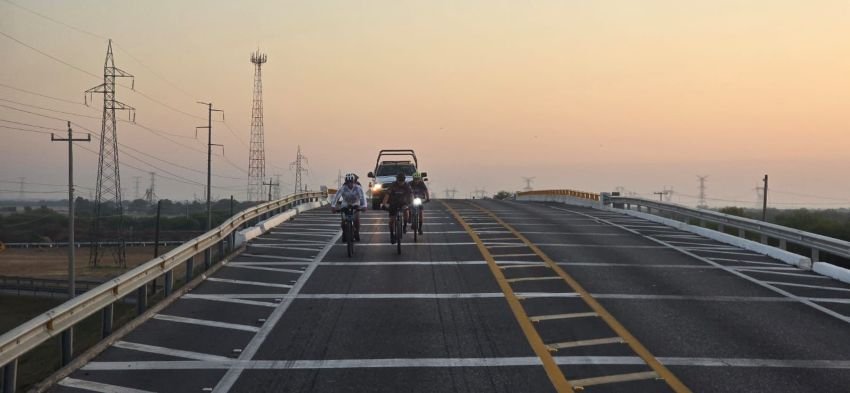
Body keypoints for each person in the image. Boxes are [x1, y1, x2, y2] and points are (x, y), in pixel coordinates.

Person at [331, 173, 367, 241]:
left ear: (354, 182)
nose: (350, 184)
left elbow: (363, 197)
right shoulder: (343, 188)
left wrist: (364, 206)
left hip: (355, 202)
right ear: (346, 182)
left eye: (351, 182)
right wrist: (333, 206)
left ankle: (357, 232)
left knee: (356, 218)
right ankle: (344, 232)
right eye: (348, 182)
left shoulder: (358, 188)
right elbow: (336, 197)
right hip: (346, 202)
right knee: (343, 219)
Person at [381, 173, 413, 244]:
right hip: (394, 203)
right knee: (391, 220)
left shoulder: (407, 185)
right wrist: (384, 204)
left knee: (406, 211)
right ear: (397, 180)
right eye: (399, 180)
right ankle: (392, 235)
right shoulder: (392, 185)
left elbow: (411, 195)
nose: (401, 182)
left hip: (403, 202)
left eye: (402, 180)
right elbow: (387, 195)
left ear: (404, 180)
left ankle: (404, 226)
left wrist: (411, 204)